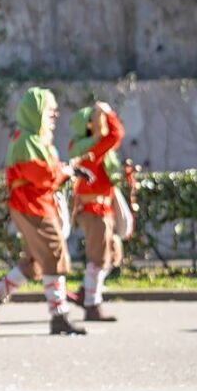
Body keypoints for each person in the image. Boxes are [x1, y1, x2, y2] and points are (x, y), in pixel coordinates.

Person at [0, 87, 89, 335]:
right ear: (36, 112)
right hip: (34, 205)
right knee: (54, 253)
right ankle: (59, 316)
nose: (55, 115)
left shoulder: (32, 139)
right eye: (50, 110)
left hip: (34, 204)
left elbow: (46, 172)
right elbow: (42, 175)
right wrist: (67, 171)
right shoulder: (28, 140)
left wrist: (67, 170)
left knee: (35, 263)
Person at [68, 102, 128, 321]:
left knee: (111, 254)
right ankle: (92, 305)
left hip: (101, 208)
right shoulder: (92, 146)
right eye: (95, 116)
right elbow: (116, 134)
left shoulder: (90, 145)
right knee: (98, 259)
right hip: (94, 210)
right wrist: (109, 112)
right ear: (88, 124)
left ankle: (85, 292)